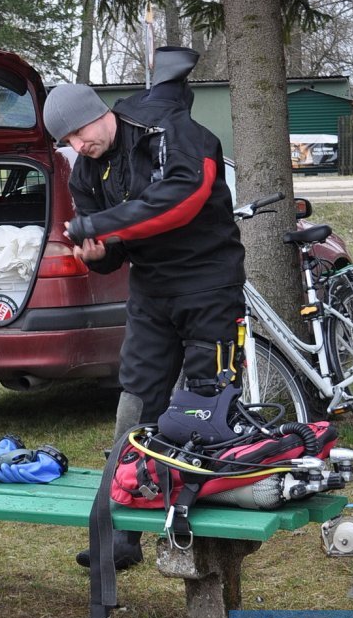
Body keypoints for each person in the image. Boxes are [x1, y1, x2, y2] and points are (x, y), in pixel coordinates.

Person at [43, 47, 246, 570]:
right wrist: (98, 252)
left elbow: (186, 196)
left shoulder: (169, 131)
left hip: (209, 286)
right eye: (67, 141)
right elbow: (111, 255)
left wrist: (100, 229)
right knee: (135, 405)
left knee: (207, 406)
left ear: (99, 111)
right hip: (152, 295)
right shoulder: (84, 171)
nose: (77, 145)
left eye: (80, 132)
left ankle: (201, 535)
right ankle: (121, 532)